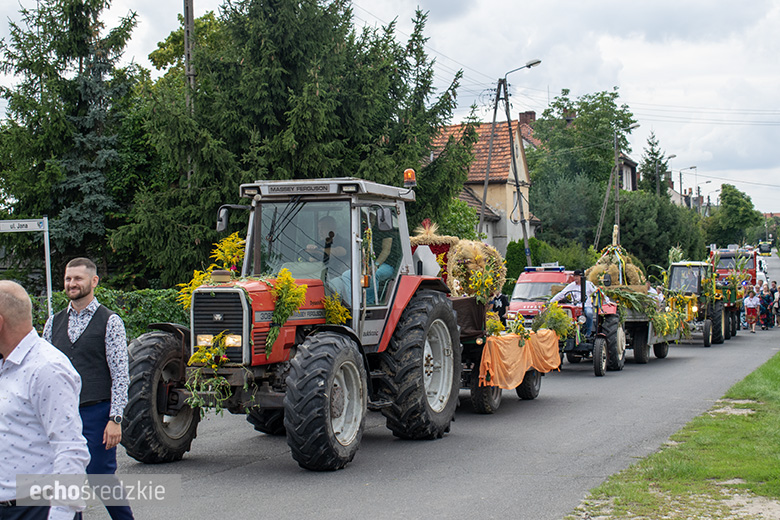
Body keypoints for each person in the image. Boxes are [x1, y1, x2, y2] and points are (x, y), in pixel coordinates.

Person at [43, 258, 133, 520]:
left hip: (97, 412)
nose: (72, 284)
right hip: (62, 414)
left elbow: (120, 375)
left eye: (78, 279)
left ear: (94, 281)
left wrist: (115, 419)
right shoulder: (53, 323)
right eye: (68, 278)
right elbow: (44, 370)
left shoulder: (110, 321)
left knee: (101, 479)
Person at [0, 280, 90, 520]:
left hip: (37, 508)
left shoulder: (47, 369)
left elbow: (70, 449)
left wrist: (61, 515)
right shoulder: (5, 365)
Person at [549, 271, 600, 336]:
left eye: (577, 276)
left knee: (589, 313)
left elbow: (597, 292)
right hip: (575, 305)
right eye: (574, 276)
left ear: (581, 277)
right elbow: (562, 294)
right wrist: (551, 302)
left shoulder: (588, 284)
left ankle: (588, 332)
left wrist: (607, 300)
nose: (575, 278)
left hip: (586, 305)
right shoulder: (572, 285)